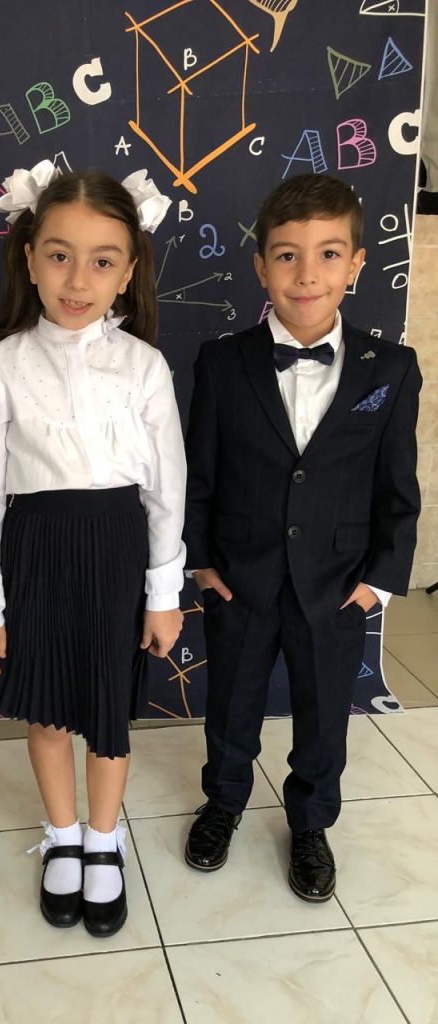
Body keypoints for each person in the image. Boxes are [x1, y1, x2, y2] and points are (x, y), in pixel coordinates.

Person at [0, 163, 186, 937]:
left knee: (109, 706)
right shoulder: (1, 367)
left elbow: (167, 490)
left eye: (102, 260)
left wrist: (162, 594)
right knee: (49, 708)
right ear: (29, 258)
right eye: (59, 255)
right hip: (36, 555)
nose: (78, 280)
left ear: (129, 270)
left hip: (118, 554)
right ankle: (62, 835)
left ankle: (104, 840)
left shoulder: (144, 368)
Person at [183, 173, 421, 902]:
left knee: (323, 717)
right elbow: (200, 473)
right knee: (231, 705)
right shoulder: (222, 362)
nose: (306, 274)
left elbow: (397, 487)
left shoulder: (392, 368)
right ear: (262, 266)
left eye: (328, 254)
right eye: (287, 255)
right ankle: (223, 801)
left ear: (356, 264)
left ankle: (311, 822)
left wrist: (377, 583)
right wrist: (202, 565)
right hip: (241, 578)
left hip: (336, 584)